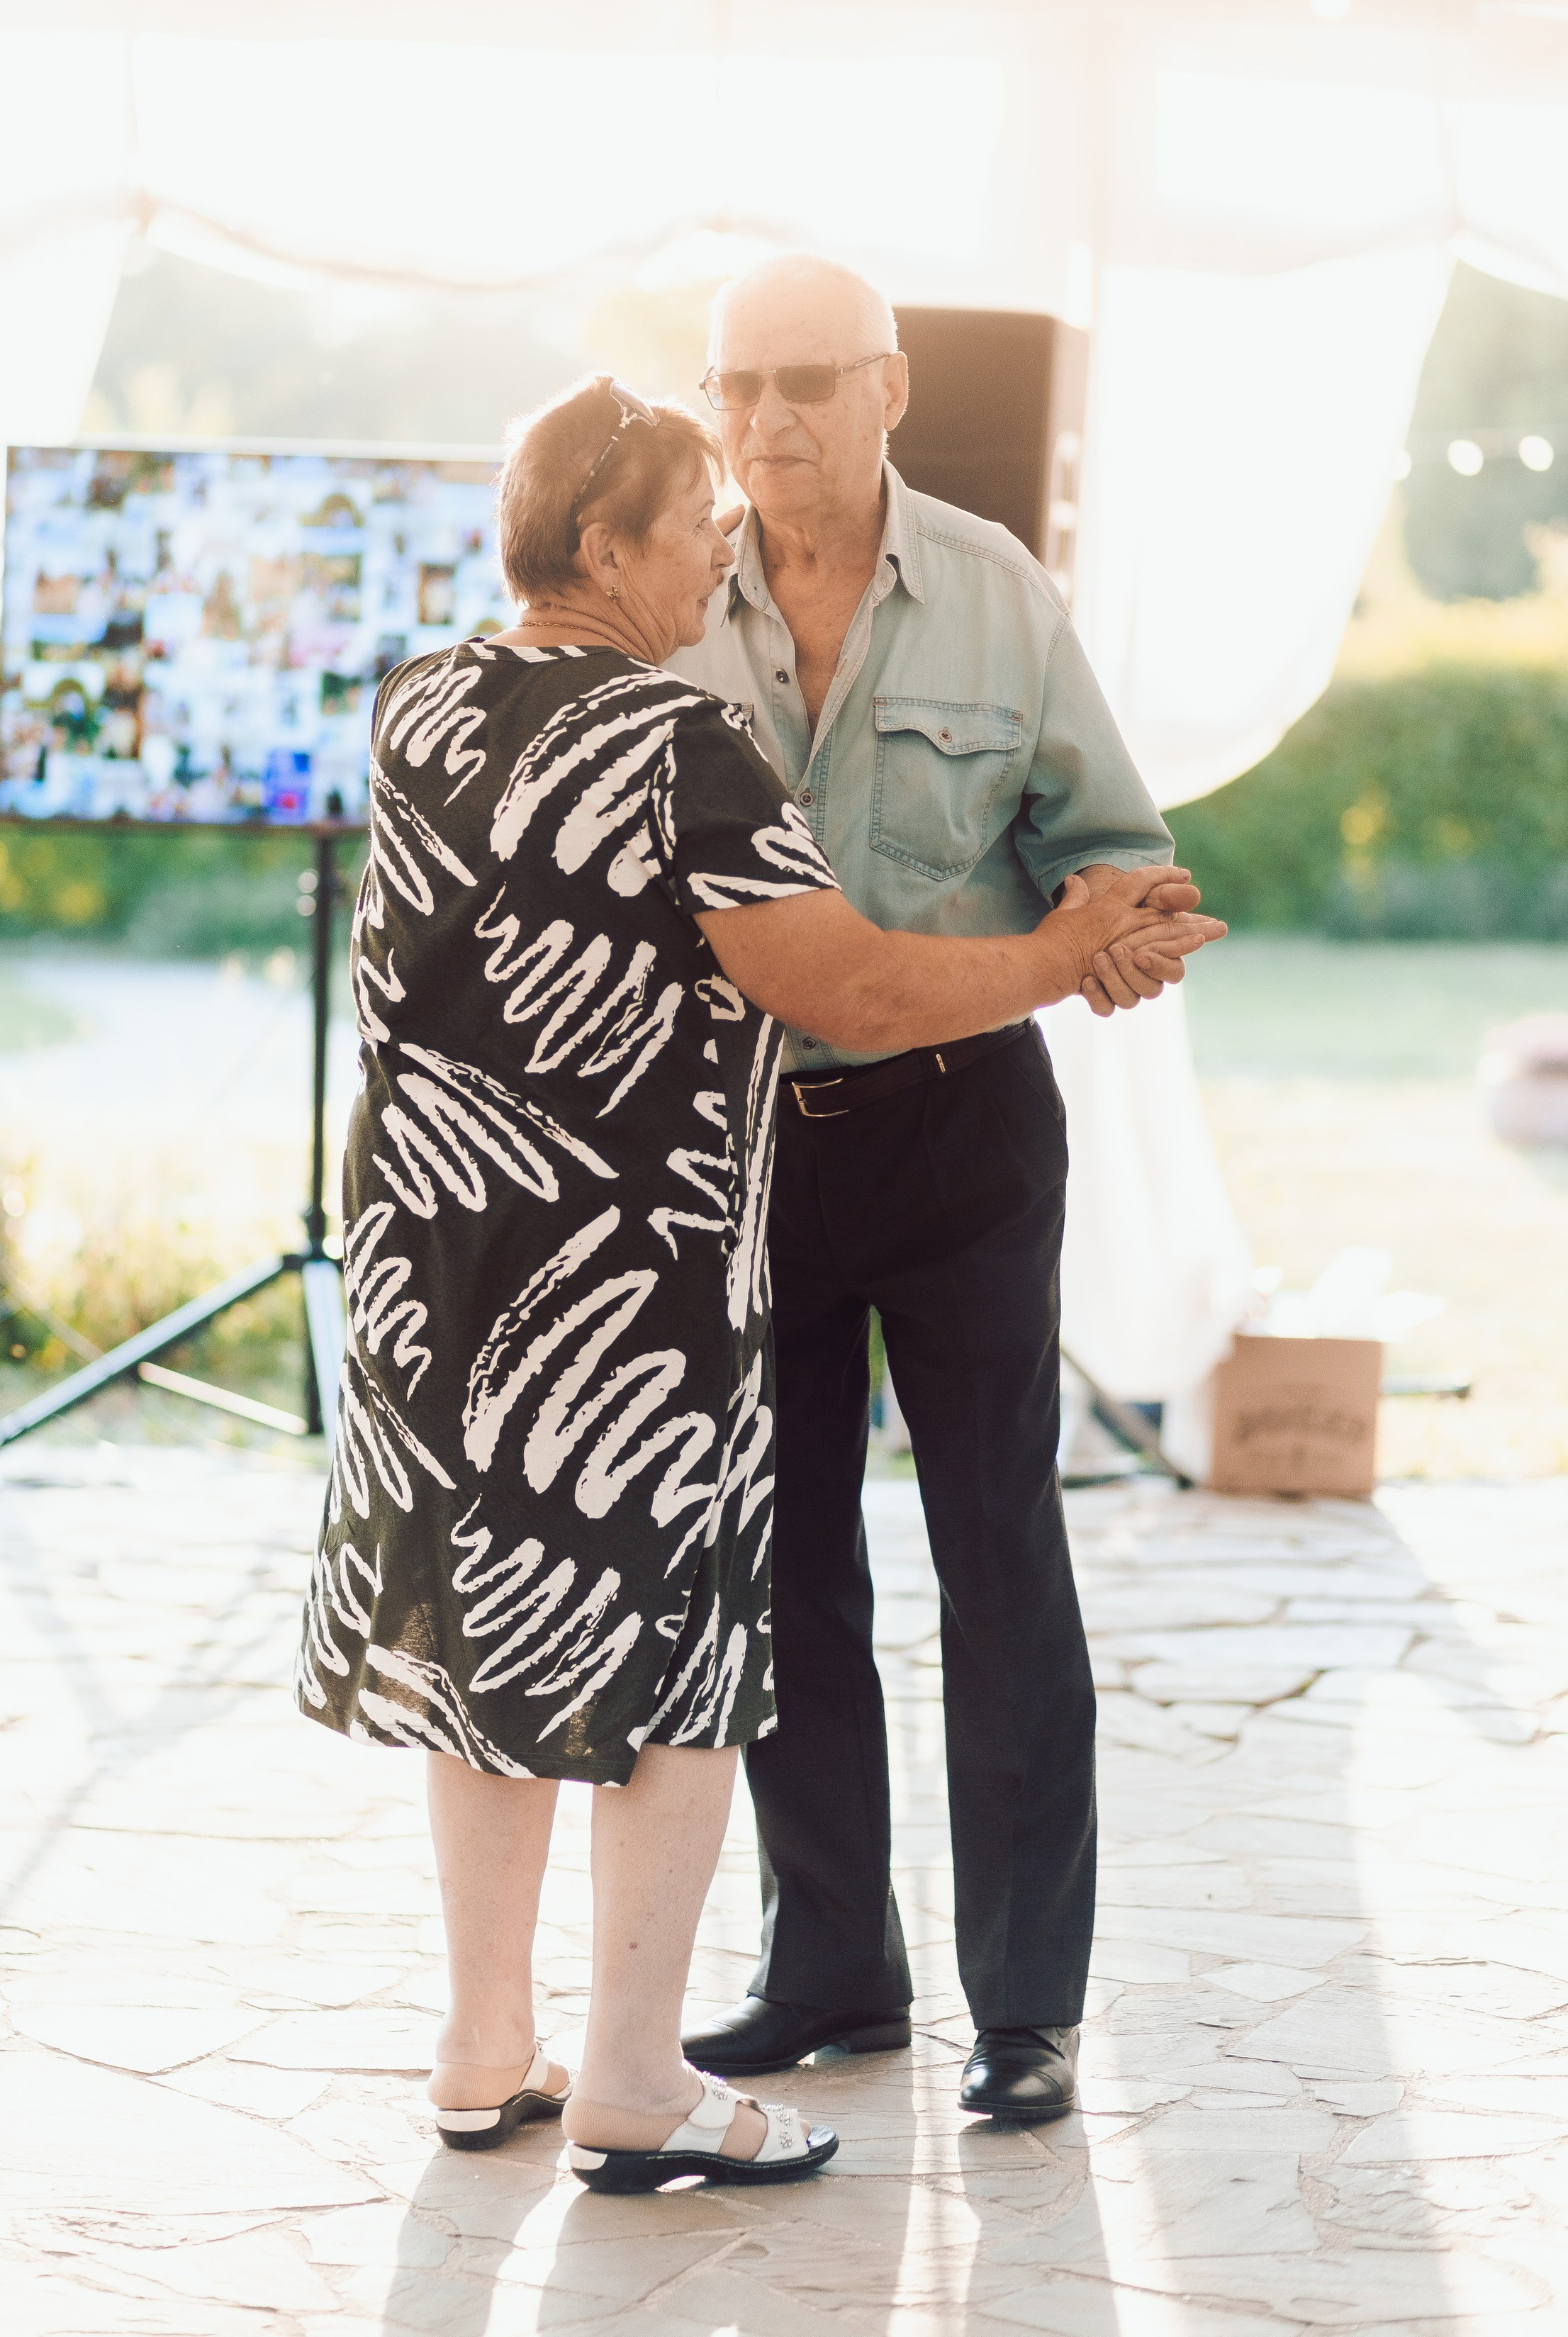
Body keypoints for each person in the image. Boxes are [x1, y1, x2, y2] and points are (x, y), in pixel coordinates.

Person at [295, 371, 1220, 2192]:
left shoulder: (417, 705)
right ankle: (635, 2081)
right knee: (680, 1664)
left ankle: (486, 2052)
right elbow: (856, 991)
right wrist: (1061, 954)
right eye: (687, 515)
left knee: (492, 1637)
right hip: (620, 1293)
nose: (719, 532)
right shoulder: (678, 739)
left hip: (431, 1266)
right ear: (600, 545)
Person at [670, 254, 1197, 2127]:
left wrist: (1130, 931)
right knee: (784, 1566)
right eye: (737, 386)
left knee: (1000, 1556)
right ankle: (831, 1967)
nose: (764, 423)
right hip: (747, 1150)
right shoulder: (673, 606)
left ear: (889, 387)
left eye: (807, 381)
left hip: (969, 1132)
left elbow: (1117, 860)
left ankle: (1026, 2003)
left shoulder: (994, 587)